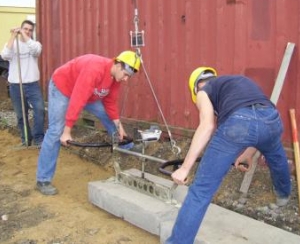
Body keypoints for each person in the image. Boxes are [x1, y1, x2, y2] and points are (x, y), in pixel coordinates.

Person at [165, 67, 291, 244]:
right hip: (272, 119)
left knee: (200, 191)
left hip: (239, 123)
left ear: (196, 86)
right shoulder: (236, 82)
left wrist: (185, 168)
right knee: (276, 156)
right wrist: (249, 153)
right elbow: (258, 120)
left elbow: (207, 126)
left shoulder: (203, 91)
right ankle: (283, 196)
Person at [36, 51, 141, 195]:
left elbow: (110, 103)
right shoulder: (95, 69)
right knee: (56, 131)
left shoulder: (115, 78)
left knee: (106, 114)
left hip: (90, 94)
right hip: (63, 88)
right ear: (118, 65)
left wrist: (119, 127)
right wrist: (67, 132)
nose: (126, 79)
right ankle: (43, 179)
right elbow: (77, 100)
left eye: (129, 76)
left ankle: (124, 144)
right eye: (126, 75)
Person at [1, 20, 45, 146]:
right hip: (16, 85)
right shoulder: (13, 44)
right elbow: (5, 55)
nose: (28, 31)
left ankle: (38, 139)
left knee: (39, 110)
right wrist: (13, 36)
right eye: (25, 29)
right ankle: (25, 139)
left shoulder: (35, 44)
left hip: (32, 85)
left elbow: (36, 51)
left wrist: (24, 35)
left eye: (30, 30)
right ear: (20, 28)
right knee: (21, 114)